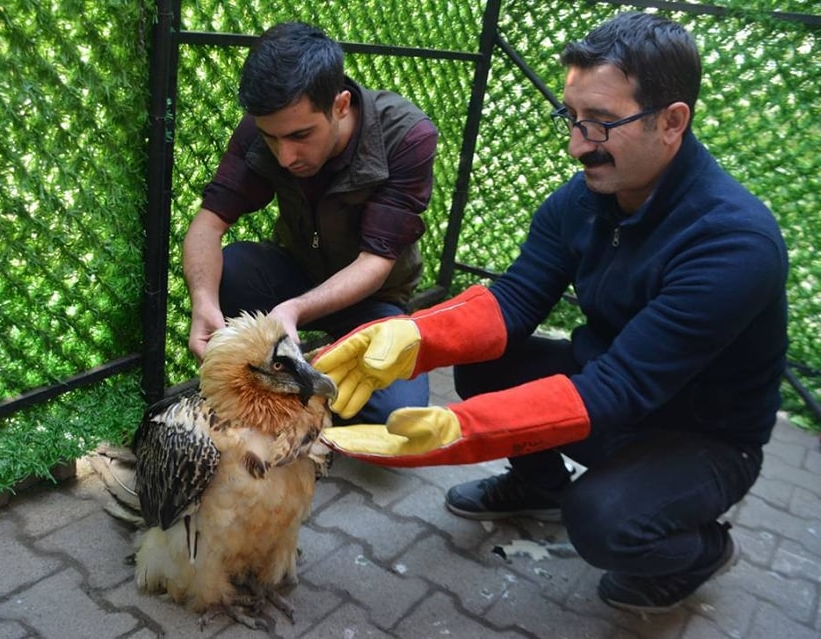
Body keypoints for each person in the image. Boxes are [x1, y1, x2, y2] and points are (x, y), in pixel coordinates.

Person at [314, 12, 787, 613]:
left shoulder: (733, 243)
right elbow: (514, 299)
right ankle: (537, 486)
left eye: (602, 124)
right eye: (572, 117)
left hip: (703, 436)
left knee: (601, 520)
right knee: (488, 362)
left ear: (672, 123)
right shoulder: (589, 195)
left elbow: (621, 387)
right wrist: (411, 336)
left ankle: (699, 550)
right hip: (613, 390)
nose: (576, 145)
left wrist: (464, 432)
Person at [182, 21, 436, 423]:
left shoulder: (407, 136)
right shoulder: (262, 127)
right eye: (271, 139)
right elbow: (207, 225)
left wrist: (295, 311)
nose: (285, 157)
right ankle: (294, 378)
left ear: (340, 105)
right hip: (296, 270)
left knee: (396, 412)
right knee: (230, 270)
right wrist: (204, 303)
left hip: (372, 298)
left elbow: (375, 262)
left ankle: (304, 372)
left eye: (301, 135)